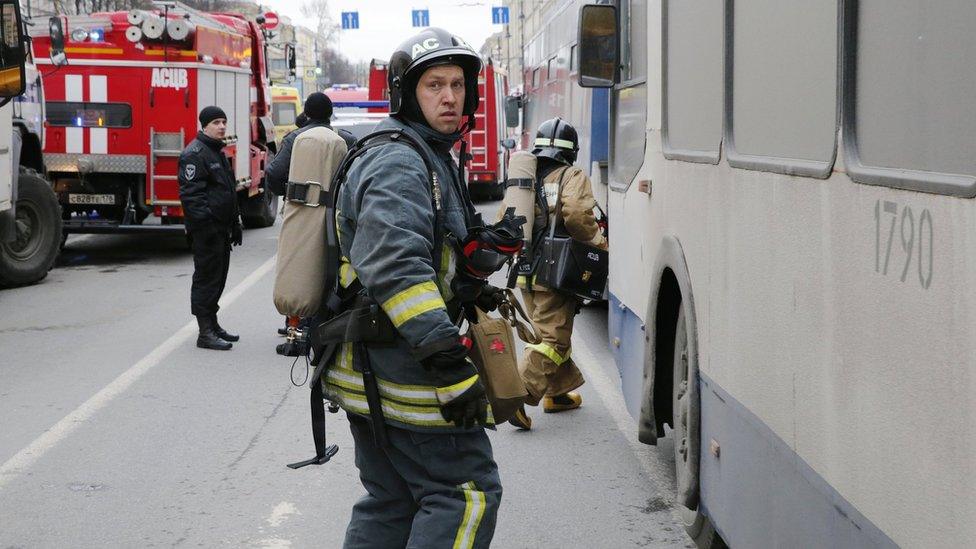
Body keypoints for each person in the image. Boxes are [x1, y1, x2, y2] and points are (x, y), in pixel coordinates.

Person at [322, 28, 502, 548]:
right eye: (433, 86)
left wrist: (474, 264)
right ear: (407, 94)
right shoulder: (401, 160)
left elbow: (425, 252)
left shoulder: (425, 151)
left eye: (457, 85)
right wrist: (448, 361)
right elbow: (396, 268)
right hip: (408, 369)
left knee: (393, 501)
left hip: (374, 366)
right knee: (465, 494)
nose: (450, 97)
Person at [506, 117, 608, 430]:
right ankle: (518, 397)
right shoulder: (571, 174)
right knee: (553, 337)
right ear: (572, 150)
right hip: (555, 270)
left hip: (524, 269)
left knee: (544, 332)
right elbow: (577, 215)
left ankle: (558, 393)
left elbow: (505, 217)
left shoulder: (525, 177)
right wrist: (598, 242)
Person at [178, 106, 243, 351]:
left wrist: (234, 222)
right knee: (206, 279)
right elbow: (192, 197)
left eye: (224, 122)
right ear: (204, 125)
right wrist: (206, 228)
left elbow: (227, 191)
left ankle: (213, 324)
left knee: (219, 278)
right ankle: (204, 331)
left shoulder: (216, 151)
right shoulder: (194, 154)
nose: (222, 126)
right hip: (207, 231)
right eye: (216, 122)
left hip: (221, 229)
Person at [265, 92, 355, 196]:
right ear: (330, 113)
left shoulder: (293, 138)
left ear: (306, 114)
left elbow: (275, 173)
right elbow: (356, 178)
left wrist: (289, 192)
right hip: (337, 209)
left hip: (300, 208)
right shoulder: (347, 140)